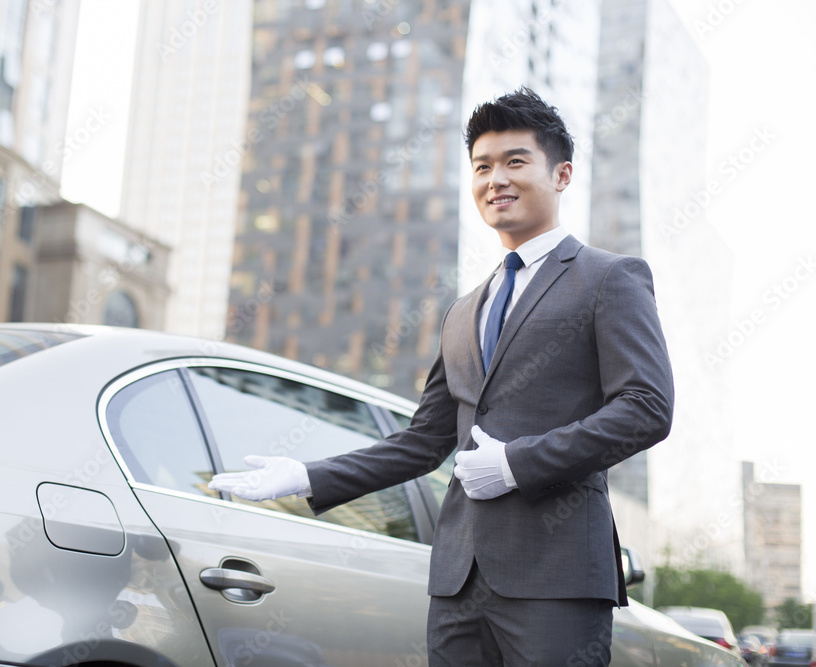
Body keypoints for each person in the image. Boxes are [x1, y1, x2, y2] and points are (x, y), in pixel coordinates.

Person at [209, 88, 674, 666]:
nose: (495, 179)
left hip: (557, 578)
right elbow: (423, 442)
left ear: (562, 175)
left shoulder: (609, 278)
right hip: (456, 581)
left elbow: (646, 406)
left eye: (515, 161)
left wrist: (515, 464)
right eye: (482, 167)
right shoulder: (463, 312)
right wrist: (307, 473)